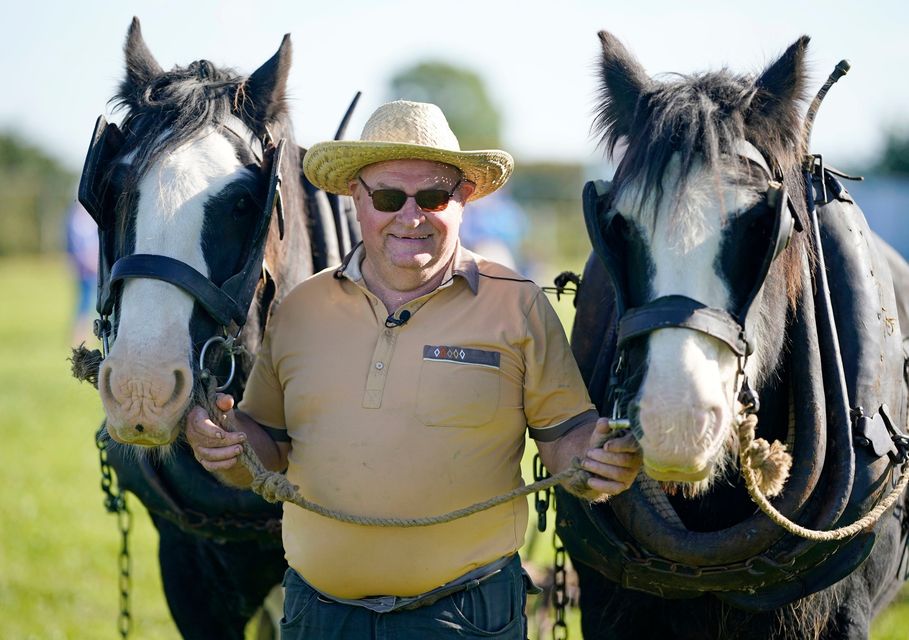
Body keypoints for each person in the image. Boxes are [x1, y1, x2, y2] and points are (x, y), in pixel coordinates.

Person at [186, 100, 641, 639]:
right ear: (356, 197)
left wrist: (597, 460)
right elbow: (268, 444)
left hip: (466, 619)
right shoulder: (301, 309)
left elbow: (564, 435)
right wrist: (229, 444)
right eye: (386, 197)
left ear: (463, 199)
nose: (411, 216)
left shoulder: (517, 306)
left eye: (432, 196)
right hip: (319, 616)